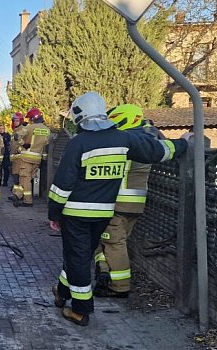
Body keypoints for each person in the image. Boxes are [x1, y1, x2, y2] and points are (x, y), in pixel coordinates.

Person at [48, 92, 189, 326]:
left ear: (80, 115)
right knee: (79, 256)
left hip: (75, 214)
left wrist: (54, 213)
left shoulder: (78, 144)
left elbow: (62, 185)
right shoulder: (123, 139)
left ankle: (80, 310)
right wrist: (184, 143)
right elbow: (156, 151)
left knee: (78, 258)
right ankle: (62, 293)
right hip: (103, 214)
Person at [93, 104, 163, 298]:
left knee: (114, 243)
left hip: (117, 203)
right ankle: (105, 272)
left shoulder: (126, 142)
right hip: (135, 204)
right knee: (109, 241)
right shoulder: (149, 139)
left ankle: (120, 287)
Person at [11, 108, 50, 207]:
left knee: (25, 178)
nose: (29, 121)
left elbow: (16, 136)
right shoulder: (47, 130)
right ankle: (18, 195)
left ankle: (27, 201)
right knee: (27, 179)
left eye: (30, 119)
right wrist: (44, 159)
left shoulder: (29, 128)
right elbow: (46, 146)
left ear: (33, 118)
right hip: (37, 158)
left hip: (26, 157)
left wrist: (23, 144)